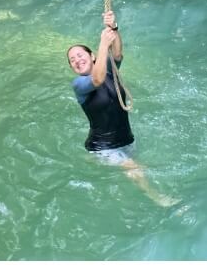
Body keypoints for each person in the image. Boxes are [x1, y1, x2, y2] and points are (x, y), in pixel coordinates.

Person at [68, 11, 177, 207]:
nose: (76, 60)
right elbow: (97, 79)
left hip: (126, 139)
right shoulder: (79, 84)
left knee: (138, 171)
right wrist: (102, 43)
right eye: (72, 60)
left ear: (91, 56)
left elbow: (117, 53)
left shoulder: (110, 68)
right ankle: (159, 200)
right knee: (135, 169)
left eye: (79, 55)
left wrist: (114, 28)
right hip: (102, 147)